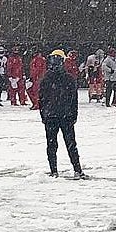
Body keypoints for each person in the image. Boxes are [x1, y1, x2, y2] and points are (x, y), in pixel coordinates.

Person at [38, 50, 85, 179]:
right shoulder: (69, 78)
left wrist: (43, 115)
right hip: (66, 116)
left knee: (51, 145)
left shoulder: (45, 79)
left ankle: (54, 171)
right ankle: (77, 169)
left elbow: (41, 99)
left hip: (50, 116)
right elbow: (74, 99)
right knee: (71, 143)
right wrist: (74, 115)